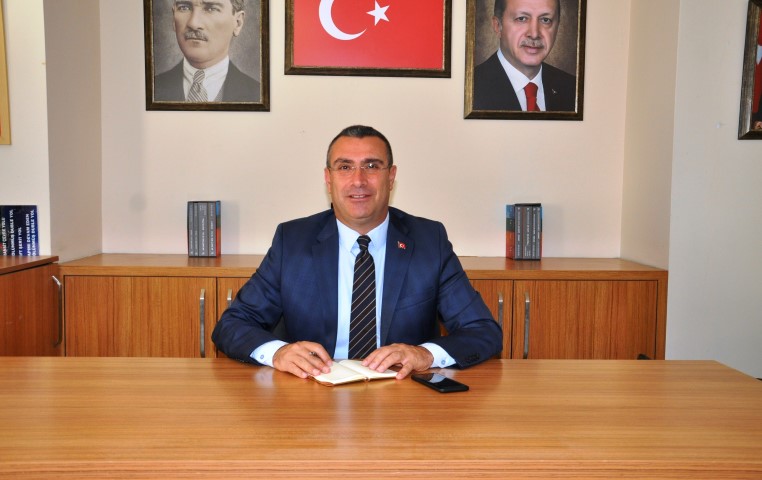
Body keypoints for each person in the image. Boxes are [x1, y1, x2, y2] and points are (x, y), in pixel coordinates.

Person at [212, 125, 503, 380]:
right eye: (345, 167)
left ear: (391, 177)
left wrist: (425, 355)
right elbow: (232, 324)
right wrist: (278, 353)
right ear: (328, 179)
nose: (359, 180)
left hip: (401, 394)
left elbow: (483, 331)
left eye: (372, 166)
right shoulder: (293, 241)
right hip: (311, 391)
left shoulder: (428, 241)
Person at [472, 0, 575, 112]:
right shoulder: (471, 88)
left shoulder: (573, 88)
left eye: (545, 20)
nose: (534, 34)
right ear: (498, 26)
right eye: (521, 19)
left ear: (557, 27)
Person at [154, 0, 260, 103]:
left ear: (237, 23)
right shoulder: (152, 89)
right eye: (184, 8)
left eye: (211, 9)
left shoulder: (258, 95)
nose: (193, 23)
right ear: (173, 18)